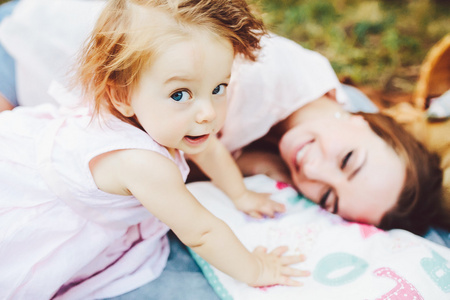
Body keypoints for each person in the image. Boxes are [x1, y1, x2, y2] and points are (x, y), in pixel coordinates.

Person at [0, 1, 448, 240]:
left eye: (327, 197)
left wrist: (254, 164)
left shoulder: (294, 119)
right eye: (348, 160)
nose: (311, 171)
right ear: (364, 119)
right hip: (19, 58)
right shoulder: (254, 77)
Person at [0, 0, 312, 299]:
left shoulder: (165, 119)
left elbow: (211, 151)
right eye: (180, 94)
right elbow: (202, 232)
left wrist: (240, 195)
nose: (208, 113)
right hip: (26, 196)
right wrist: (257, 269)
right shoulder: (140, 162)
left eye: (218, 88)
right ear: (121, 95)